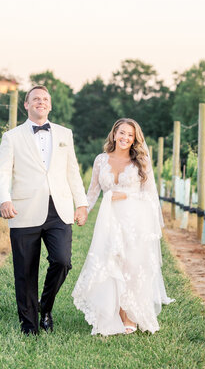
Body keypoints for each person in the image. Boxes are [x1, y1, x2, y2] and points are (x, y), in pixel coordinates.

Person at [0, 85, 88, 335]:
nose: (41, 102)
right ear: (26, 105)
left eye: (45, 99)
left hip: (59, 209)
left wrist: (82, 204)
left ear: (50, 105)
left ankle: (45, 308)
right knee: (25, 271)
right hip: (23, 209)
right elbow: (2, 172)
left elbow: (73, 172)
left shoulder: (64, 134)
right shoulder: (11, 137)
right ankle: (29, 325)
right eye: (35, 99)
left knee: (62, 261)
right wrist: (4, 199)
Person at [72, 118, 173, 336]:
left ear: (135, 139)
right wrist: (83, 212)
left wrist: (125, 194)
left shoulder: (141, 161)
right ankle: (115, 314)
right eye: (122, 133)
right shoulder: (101, 160)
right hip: (109, 221)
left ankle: (131, 316)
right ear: (114, 134)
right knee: (111, 263)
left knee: (132, 267)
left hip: (135, 220)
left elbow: (150, 196)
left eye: (130, 135)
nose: (125, 138)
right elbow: (93, 192)